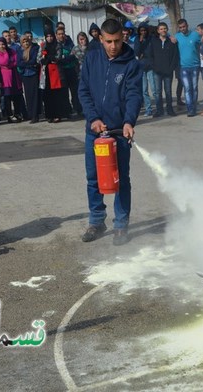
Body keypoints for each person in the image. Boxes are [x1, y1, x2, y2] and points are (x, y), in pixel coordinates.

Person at [79, 18, 142, 246]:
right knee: (93, 178)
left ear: (123, 37)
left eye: (117, 41)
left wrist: (128, 122)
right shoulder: (92, 59)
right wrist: (93, 118)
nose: (113, 46)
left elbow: (134, 95)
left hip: (118, 132)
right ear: (100, 38)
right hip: (94, 132)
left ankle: (121, 224)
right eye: (108, 41)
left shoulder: (131, 64)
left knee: (120, 179)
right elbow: (83, 91)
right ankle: (97, 221)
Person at [146, 22, 178, 117]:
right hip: (157, 71)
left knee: (168, 91)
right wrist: (154, 67)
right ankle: (159, 110)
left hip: (168, 71)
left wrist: (171, 68)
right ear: (158, 31)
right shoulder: (154, 41)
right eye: (161, 29)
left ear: (167, 30)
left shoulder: (171, 41)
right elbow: (150, 55)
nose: (163, 30)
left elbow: (175, 56)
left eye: (165, 28)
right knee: (158, 92)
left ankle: (170, 109)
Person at [38, 30, 70, 123]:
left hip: (56, 72)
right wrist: (45, 60)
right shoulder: (43, 46)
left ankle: (58, 115)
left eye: (51, 36)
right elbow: (39, 58)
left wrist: (49, 58)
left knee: (57, 95)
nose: (49, 38)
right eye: (47, 36)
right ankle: (49, 115)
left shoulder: (57, 45)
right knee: (47, 95)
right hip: (46, 72)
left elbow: (58, 57)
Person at [174, 19, 201, 117]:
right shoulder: (176, 37)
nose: (182, 29)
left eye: (184, 27)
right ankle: (190, 109)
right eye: (180, 27)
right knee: (187, 88)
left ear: (187, 25)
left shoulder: (195, 35)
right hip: (183, 67)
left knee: (194, 88)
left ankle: (193, 107)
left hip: (195, 66)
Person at [0, 37, 24, 122]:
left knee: (17, 97)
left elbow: (16, 61)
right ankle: (9, 115)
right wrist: (5, 53)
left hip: (14, 77)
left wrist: (8, 66)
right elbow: (3, 62)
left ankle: (17, 113)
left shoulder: (12, 51)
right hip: (5, 79)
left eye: (3, 44)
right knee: (7, 97)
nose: (2, 46)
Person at [17, 34, 41, 123]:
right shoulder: (19, 51)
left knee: (35, 95)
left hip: (33, 73)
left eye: (27, 41)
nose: (26, 43)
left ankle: (35, 115)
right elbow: (19, 63)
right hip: (25, 75)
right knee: (28, 95)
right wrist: (28, 63)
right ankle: (30, 114)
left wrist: (26, 63)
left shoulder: (34, 49)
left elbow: (34, 60)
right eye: (23, 42)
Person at [134, 23, 155, 117]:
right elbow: (137, 53)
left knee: (154, 89)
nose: (143, 32)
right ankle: (148, 109)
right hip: (141, 67)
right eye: (141, 31)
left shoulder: (151, 38)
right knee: (144, 90)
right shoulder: (137, 39)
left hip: (151, 66)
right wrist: (140, 42)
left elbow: (154, 51)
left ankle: (159, 108)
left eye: (145, 30)